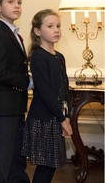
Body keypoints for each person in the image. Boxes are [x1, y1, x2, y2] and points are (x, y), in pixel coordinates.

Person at [0, 0, 30, 183]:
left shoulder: (13, 33)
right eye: (11, 2)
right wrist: (28, 81)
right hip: (2, 108)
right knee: (1, 162)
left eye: (19, 2)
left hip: (14, 106)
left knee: (16, 159)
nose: (17, 6)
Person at [22, 9, 73, 183]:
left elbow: (64, 90)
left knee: (52, 164)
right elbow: (45, 92)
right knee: (45, 165)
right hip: (43, 118)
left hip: (57, 117)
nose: (56, 30)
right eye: (50, 26)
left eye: (58, 26)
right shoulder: (38, 57)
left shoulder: (59, 57)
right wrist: (62, 118)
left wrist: (67, 116)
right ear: (38, 31)